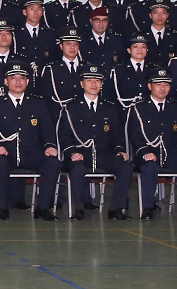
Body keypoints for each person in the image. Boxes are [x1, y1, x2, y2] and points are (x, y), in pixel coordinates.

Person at [0, 62, 62, 221]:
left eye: (22, 78)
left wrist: (50, 146)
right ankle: (3, 208)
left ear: (27, 81)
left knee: (53, 163)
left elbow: (47, 130)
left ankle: (43, 208)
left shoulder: (38, 104)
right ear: (6, 82)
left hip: (32, 153)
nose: (18, 81)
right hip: (8, 153)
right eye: (13, 78)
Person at [126, 67, 177, 220]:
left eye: (166, 84)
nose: (163, 88)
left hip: (172, 154)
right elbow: (134, 135)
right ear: (150, 86)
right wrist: (144, 152)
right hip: (148, 154)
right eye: (158, 84)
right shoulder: (139, 108)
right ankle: (148, 207)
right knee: (150, 167)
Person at [55, 65, 131, 220]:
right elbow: (64, 135)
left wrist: (120, 149)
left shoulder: (109, 107)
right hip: (80, 153)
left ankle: (115, 209)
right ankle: (79, 208)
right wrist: (72, 152)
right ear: (82, 84)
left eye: (97, 80)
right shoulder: (70, 107)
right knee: (78, 169)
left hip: (103, 154)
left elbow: (116, 134)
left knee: (126, 168)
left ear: (102, 84)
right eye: (89, 80)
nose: (94, 84)